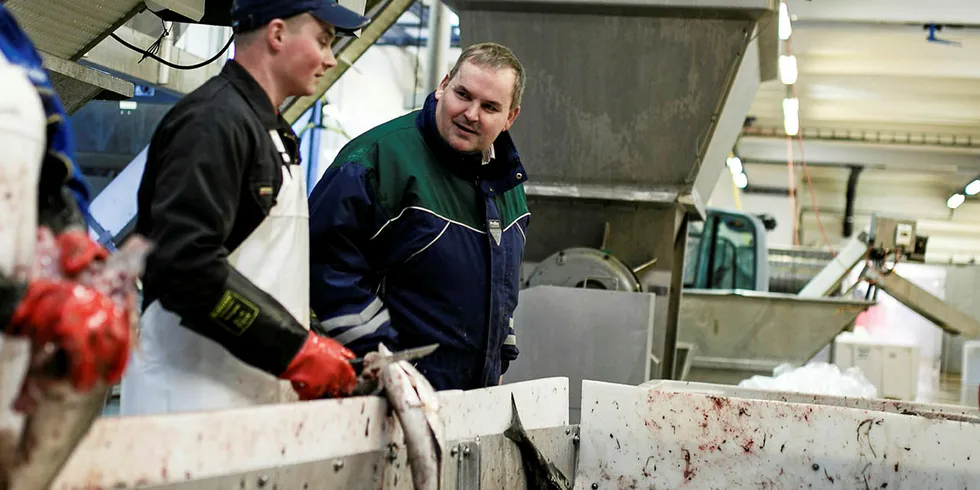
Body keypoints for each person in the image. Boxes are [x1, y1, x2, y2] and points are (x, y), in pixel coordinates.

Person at [119, 0, 371, 415]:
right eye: (323, 40)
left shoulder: (271, 131)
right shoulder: (213, 122)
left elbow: (271, 272)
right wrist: (296, 349)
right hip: (187, 397)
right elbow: (187, 267)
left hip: (247, 392)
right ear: (276, 34)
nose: (330, 58)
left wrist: (316, 337)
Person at [308, 42, 529, 391]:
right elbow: (321, 266)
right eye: (462, 94)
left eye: (489, 107)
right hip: (382, 396)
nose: (471, 113)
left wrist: (500, 353)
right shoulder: (377, 161)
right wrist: (383, 358)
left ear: (509, 118)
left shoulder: (507, 185)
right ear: (443, 86)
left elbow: (501, 285)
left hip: (468, 400)